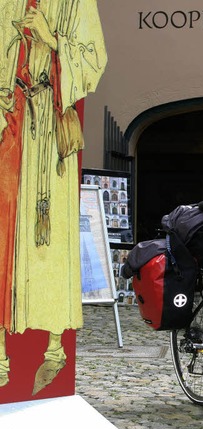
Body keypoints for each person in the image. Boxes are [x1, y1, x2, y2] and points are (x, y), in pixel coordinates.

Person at [0, 1, 107, 394]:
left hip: (49, 126)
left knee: (49, 240)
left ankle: (54, 348)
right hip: (8, 120)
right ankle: (0, 354)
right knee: (3, 234)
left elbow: (94, 59)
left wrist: (52, 38)